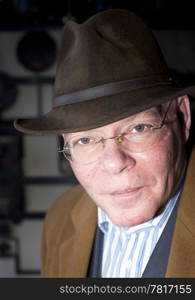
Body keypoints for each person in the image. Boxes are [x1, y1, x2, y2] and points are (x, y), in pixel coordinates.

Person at [14, 9, 195, 278]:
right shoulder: (59, 219)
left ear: (181, 117)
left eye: (138, 128)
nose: (114, 163)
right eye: (86, 139)